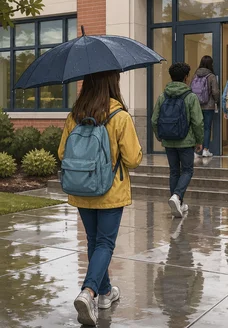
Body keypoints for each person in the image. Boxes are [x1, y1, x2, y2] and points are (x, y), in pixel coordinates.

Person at [58, 71, 143, 326]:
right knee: (105, 244)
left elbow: (63, 152)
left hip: (82, 190)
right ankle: (89, 292)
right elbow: (133, 159)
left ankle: (105, 293)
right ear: (112, 82)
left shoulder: (75, 116)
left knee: (94, 243)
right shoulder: (120, 116)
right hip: (110, 191)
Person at [152, 62, 204, 218]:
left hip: (169, 141)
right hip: (186, 142)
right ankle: (177, 197)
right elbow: (198, 121)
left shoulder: (163, 96)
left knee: (174, 171)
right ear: (186, 78)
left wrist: (159, 136)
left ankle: (178, 204)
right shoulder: (190, 97)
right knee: (187, 170)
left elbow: (154, 120)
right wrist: (199, 140)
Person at [191, 55, 220, 157]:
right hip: (209, 106)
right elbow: (215, 92)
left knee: (197, 127)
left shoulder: (195, 75)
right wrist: (217, 101)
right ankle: (205, 150)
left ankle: (195, 151)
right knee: (207, 128)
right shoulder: (211, 76)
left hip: (197, 106)